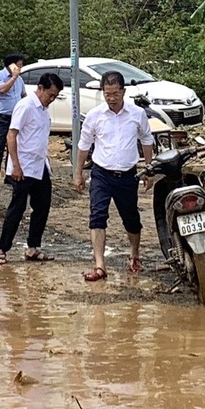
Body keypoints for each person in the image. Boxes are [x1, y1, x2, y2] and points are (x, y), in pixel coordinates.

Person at [74, 70, 155, 281]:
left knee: (131, 219)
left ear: (123, 92)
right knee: (97, 216)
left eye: (115, 94)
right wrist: (78, 173)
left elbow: (147, 140)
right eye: (107, 94)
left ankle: (134, 255)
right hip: (101, 174)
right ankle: (100, 266)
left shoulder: (137, 114)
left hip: (128, 175)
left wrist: (149, 169)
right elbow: (84, 146)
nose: (111, 98)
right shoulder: (94, 116)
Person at [0, 73, 63, 265]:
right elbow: (11, 135)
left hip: (40, 166)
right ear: (40, 88)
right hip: (23, 166)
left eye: (55, 96)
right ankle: (2, 249)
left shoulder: (43, 109)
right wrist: (15, 165)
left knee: (42, 207)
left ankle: (33, 247)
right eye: (50, 94)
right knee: (17, 208)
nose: (51, 99)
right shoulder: (25, 106)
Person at [0, 53, 28, 186]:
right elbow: (2, 89)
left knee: (13, 147)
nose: (20, 68)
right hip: (3, 117)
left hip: (16, 118)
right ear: (12, 65)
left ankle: (9, 175)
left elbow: (23, 95)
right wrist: (14, 77)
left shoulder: (20, 80)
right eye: (19, 65)